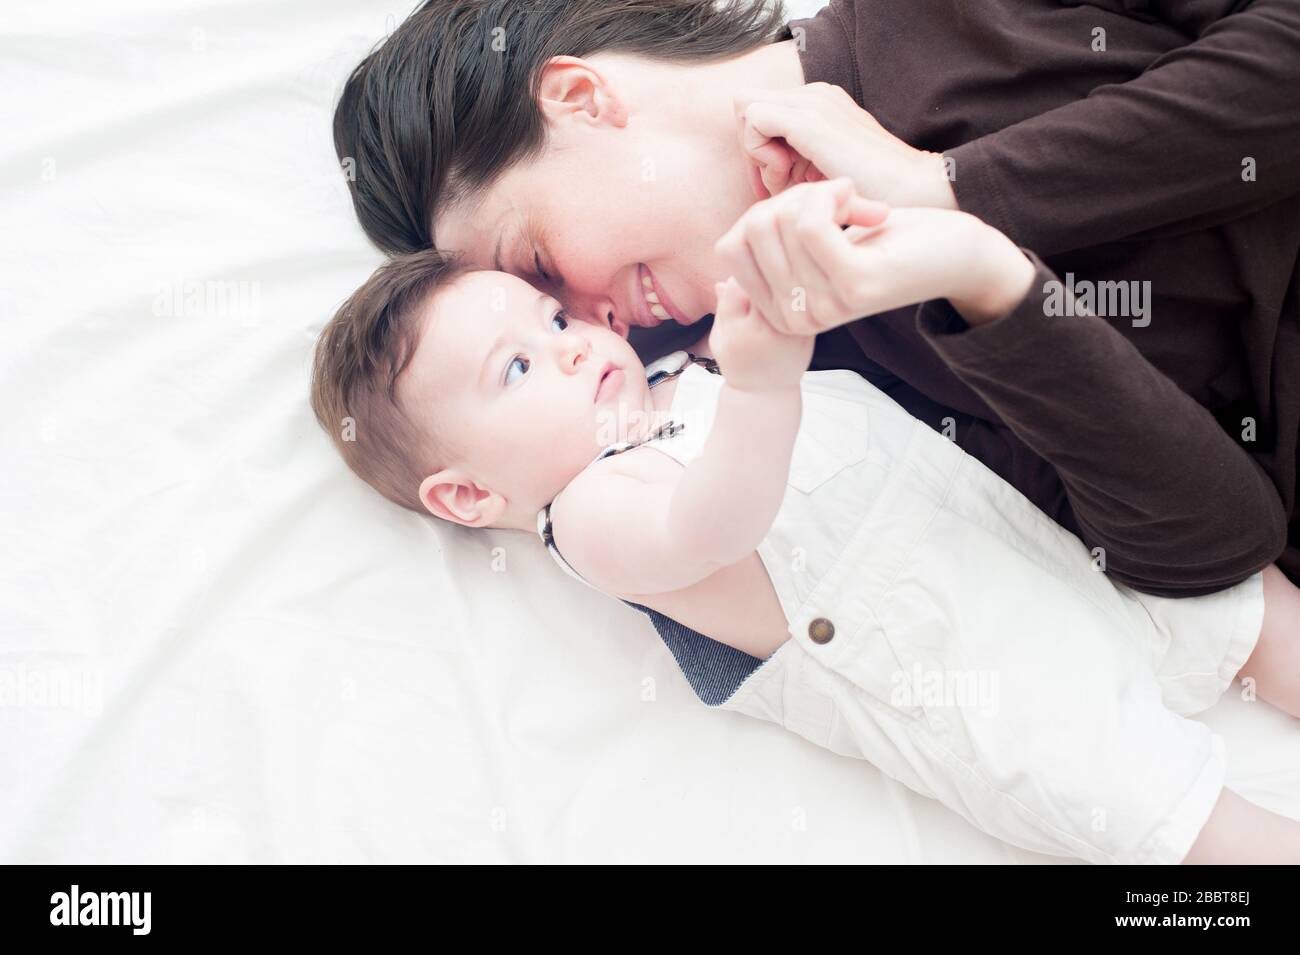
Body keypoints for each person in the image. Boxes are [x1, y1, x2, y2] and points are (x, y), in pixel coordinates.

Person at [309, 180, 1300, 863]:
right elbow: (713, 526)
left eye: (553, 318)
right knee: (1176, 815)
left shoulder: (671, 377)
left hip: (1041, 550)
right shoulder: (591, 512)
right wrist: (760, 379)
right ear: (469, 496)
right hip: (980, 690)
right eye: (517, 368)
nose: (571, 345)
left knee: (1242, 606)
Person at [332, 0, 1298, 603]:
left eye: (540, 263)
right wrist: (984, 279)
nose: (593, 323)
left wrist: (953, 189)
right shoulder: (813, 383)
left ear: (581, 98)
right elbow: (1215, 544)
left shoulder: (943, 20)